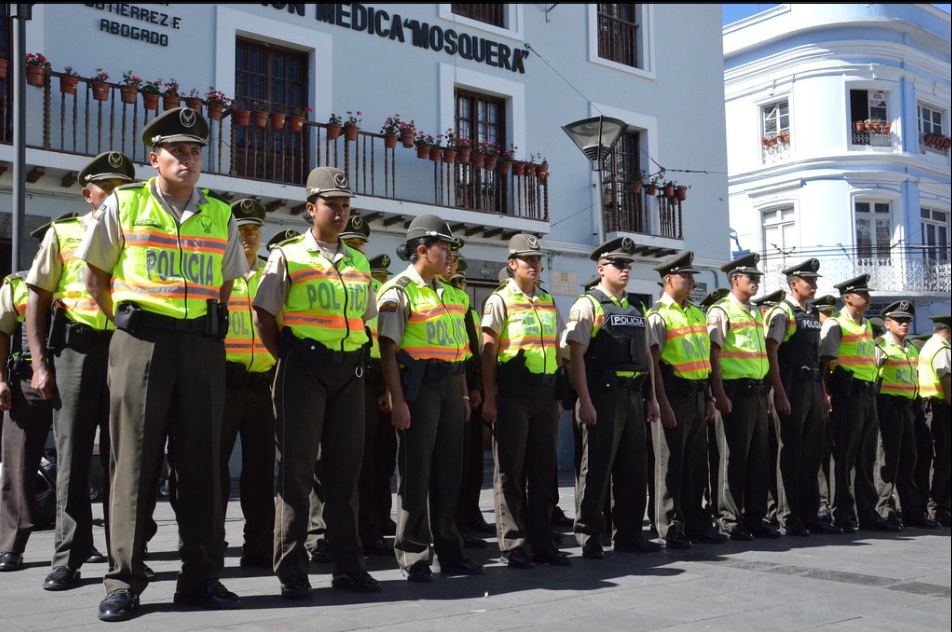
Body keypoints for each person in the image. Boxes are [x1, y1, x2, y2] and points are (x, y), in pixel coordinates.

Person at [77, 107, 247, 621]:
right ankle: (123, 581)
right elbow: (94, 278)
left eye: (196, 153)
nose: (188, 161)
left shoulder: (220, 214)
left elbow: (224, 283)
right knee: (133, 465)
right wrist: (127, 324)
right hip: (141, 342)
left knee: (202, 468)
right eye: (178, 152)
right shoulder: (124, 204)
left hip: (200, 345)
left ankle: (199, 579)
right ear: (155, 158)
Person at [252, 167, 379, 599]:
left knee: (344, 475)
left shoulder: (359, 261)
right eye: (332, 204)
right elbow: (264, 316)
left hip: (349, 371)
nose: (341, 212)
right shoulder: (287, 256)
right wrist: (288, 360)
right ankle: (292, 568)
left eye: (346, 205)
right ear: (311, 209)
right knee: (296, 473)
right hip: (302, 369)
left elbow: (364, 318)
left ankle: (349, 566)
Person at [26, 154, 135, 591]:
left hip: (126, 349)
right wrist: (39, 363)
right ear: (87, 193)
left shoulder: (140, 234)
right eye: (104, 187)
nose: (111, 194)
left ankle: (125, 554)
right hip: (76, 350)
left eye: (120, 187)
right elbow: (37, 297)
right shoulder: (64, 232)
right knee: (71, 454)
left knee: (124, 454)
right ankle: (68, 556)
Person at [375, 214, 483, 582]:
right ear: (423, 250)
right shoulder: (398, 291)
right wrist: (398, 400)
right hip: (419, 391)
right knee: (416, 475)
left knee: (449, 474)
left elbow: (463, 351)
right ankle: (414, 555)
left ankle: (450, 552)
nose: (450, 255)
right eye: (445, 248)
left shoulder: (452, 293)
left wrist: (466, 396)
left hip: (453, 389)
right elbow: (387, 349)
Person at [562, 237, 662, 559]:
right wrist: (585, 400)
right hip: (602, 396)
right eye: (619, 265)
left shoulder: (636, 307)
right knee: (597, 469)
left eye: (628, 265)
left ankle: (629, 533)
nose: (625, 270)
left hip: (633, 396)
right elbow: (575, 354)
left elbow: (647, 355)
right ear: (601, 269)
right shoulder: (587, 304)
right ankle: (590, 534)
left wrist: (653, 399)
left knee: (633, 469)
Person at [481, 234, 569, 568]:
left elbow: (558, 350)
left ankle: (542, 542)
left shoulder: (547, 300)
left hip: (546, 395)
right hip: (514, 395)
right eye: (526, 259)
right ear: (511, 264)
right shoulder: (500, 300)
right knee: (510, 472)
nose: (534, 265)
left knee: (544, 471)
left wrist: (558, 395)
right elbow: (488, 352)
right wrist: (490, 398)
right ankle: (514, 543)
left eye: (537, 259)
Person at [647, 252, 726, 549]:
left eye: (693, 276)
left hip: (696, 396)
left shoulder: (695, 313)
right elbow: (653, 364)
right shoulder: (658, 315)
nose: (693, 281)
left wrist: (708, 398)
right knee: (670, 466)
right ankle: (670, 526)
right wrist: (661, 404)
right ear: (669, 279)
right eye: (687, 276)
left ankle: (696, 522)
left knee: (695, 465)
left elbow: (703, 360)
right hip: (674, 395)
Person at [218, 198, 277, 569]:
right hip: (224, 381)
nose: (250, 236)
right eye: (242, 230)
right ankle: (211, 541)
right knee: (215, 469)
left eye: (255, 229)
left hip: (264, 384)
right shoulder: (217, 272)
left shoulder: (272, 275)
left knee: (260, 472)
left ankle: (258, 545)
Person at [764, 259, 841, 537]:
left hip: (811, 386)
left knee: (812, 454)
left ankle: (809, 514)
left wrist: (823, 396)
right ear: (793, 284)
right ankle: (788, 515)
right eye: (809, 281)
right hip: (791, 384)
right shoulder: (783, 312)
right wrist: (780, 394)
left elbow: (817, 359)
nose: (815, 285)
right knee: (791, 452)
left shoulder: (811, 313)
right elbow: (771, 353)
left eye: (815, 281)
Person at [708, 253, 780, 541]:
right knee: (732, 459)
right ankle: (728, 518)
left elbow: (759, 356)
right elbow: (713, 353)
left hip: (758, 393)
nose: (756, 282)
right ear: (735, 279)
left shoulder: (754, 312)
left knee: (758, 459)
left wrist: (768, 393)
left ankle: (754, 515)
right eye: (752, 278)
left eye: (758, 278)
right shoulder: (721, 310)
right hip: (734, 394)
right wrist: (719, 393)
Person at [819, 274, 897, 533]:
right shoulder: (836, 323)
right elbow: (825, 364)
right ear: (847, 298)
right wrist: (826, 397)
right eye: (862, 294)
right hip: (847, 397)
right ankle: (841, 513)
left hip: (867, 397)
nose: (868, 298)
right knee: (844, 457)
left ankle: (866, 513)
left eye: (868, 294)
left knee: (866, 458)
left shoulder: (864, 325)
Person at [0, 272, 54, 572]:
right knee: (18, 463)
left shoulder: (77, 278)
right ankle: (10, 546)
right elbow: (2, 330)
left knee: (78, 461)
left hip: (74, 374)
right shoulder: (17, 284)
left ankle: (80, 542)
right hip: (24, 380)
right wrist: (1, 380)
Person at [874, 301, 939, 530]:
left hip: (908, 409)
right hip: (887, 408)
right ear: (887, 323)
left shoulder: (911, 347)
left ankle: (912, 513)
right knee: (887, 463)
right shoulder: (880, 346)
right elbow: (873, 378)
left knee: (908, 462)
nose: (904, 324)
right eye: (899, 320)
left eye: (907, 320)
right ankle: (885, 512)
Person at [918, 313, 951, 526]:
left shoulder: (929, 345)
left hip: (931, 409)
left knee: (936, 459)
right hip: (941, 410)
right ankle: (938, 508)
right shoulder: (942, 349)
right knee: (943, 460)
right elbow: (947, 380)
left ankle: (934, 506)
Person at [811, 293, 838, 523]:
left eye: (831, 313)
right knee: (819, 453)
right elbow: (820, 371)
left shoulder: (832, 334)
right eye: (824, 314)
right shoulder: (814, 336)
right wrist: (824, 397)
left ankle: (831, 502)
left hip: (836, 399)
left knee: (830, 453)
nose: (827, 318)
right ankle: (821, 502)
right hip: (818, 398)